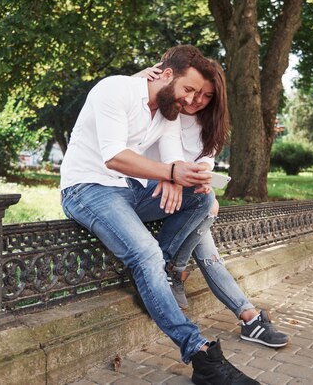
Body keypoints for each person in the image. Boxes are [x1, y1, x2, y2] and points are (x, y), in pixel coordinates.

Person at [60, 45, 258, 385]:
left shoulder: (166, 111)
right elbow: (114, 157)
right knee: (145, 253)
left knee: (201, 198)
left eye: (199, 94)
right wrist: (168, 172)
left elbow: (171, 158)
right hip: (87, 189)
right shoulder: (114, 89)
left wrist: (178, 177)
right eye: (188, 89)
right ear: (166, 75)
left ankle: (160, 272)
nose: (191, 100)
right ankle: (199, 353)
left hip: (127, 190)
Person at [137, 56, 289, 349]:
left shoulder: (211, 126)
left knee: (207, 218)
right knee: (206, 217)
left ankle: (246, 315)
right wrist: (137, 76)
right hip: (154, 194)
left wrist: (207, 185)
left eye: (207, 96)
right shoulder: (168, 106)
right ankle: (248, 317)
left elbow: (206, 168)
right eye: (194, 92)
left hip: (186, 201)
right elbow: (132, 100)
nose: (196, 100)